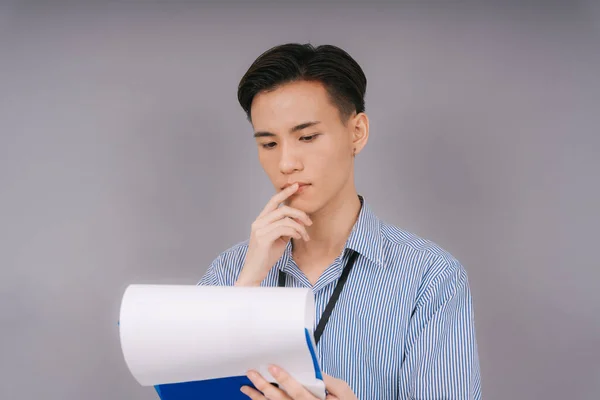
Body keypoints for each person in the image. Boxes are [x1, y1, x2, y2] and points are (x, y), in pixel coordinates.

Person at [198, 43, 482, 400]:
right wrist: (248, 284)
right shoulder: (229, 272)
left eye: (307, 137)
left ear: (357, 133)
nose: (287, 163)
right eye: (269, 144)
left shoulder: (430, 277)